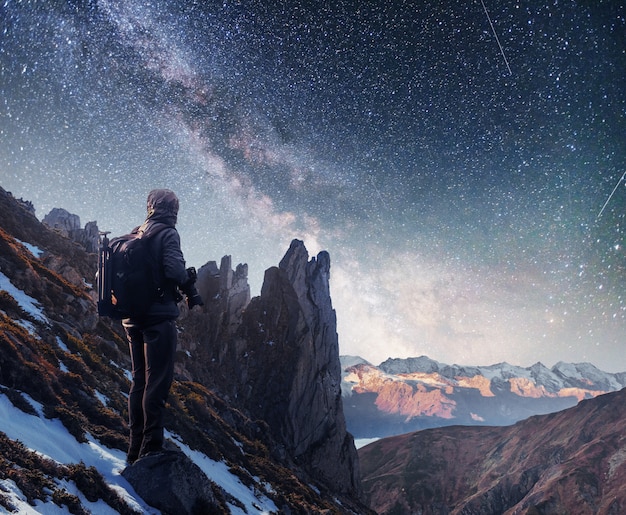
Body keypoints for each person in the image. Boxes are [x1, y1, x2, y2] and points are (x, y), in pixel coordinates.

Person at [123, 188, 203, 464]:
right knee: (157, 383)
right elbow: (174, 270)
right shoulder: (168, 233)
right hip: (158, 318)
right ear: (174, 211)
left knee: (139, 382)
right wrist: (189, 287)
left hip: (132, 318)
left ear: (150, 207)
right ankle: (151, 447)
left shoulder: (137, 231)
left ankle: (134, 449)